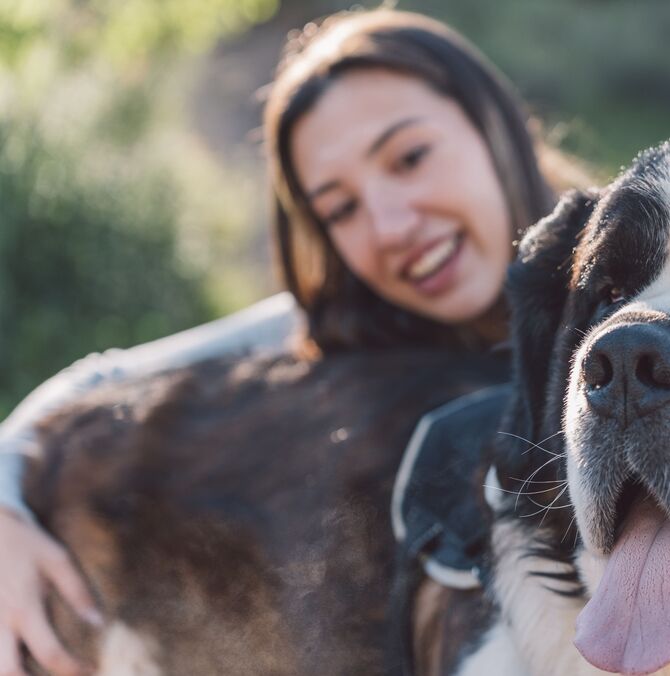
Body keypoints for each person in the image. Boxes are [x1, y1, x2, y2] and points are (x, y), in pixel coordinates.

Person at [0, 9, 590, 675]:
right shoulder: (330, 332)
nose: (391, 225)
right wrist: (3, 512)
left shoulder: (645, 277)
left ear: (493, 126)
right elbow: (99, 381)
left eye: (410, 158)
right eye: (341, 208)